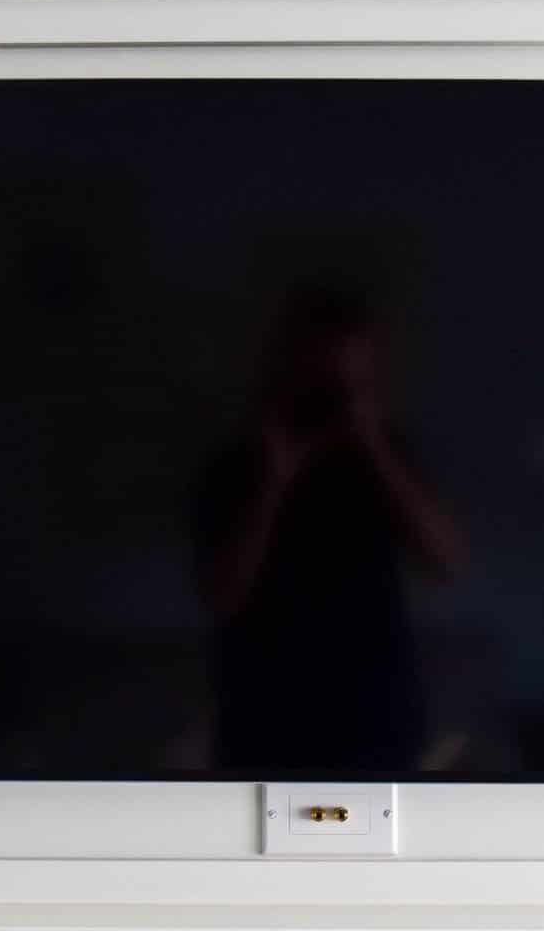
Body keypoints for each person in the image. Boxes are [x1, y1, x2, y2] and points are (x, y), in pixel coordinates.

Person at [194, 283, 466, 772]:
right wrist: (271, 485)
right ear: (287, 370)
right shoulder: (236, 466)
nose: (331, 397)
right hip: (263, 719)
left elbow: (446, 563)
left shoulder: (392, 457)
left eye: (349, 383)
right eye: (321, 378)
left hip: (377, 718)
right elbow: (221, 598)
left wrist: (376, 449)